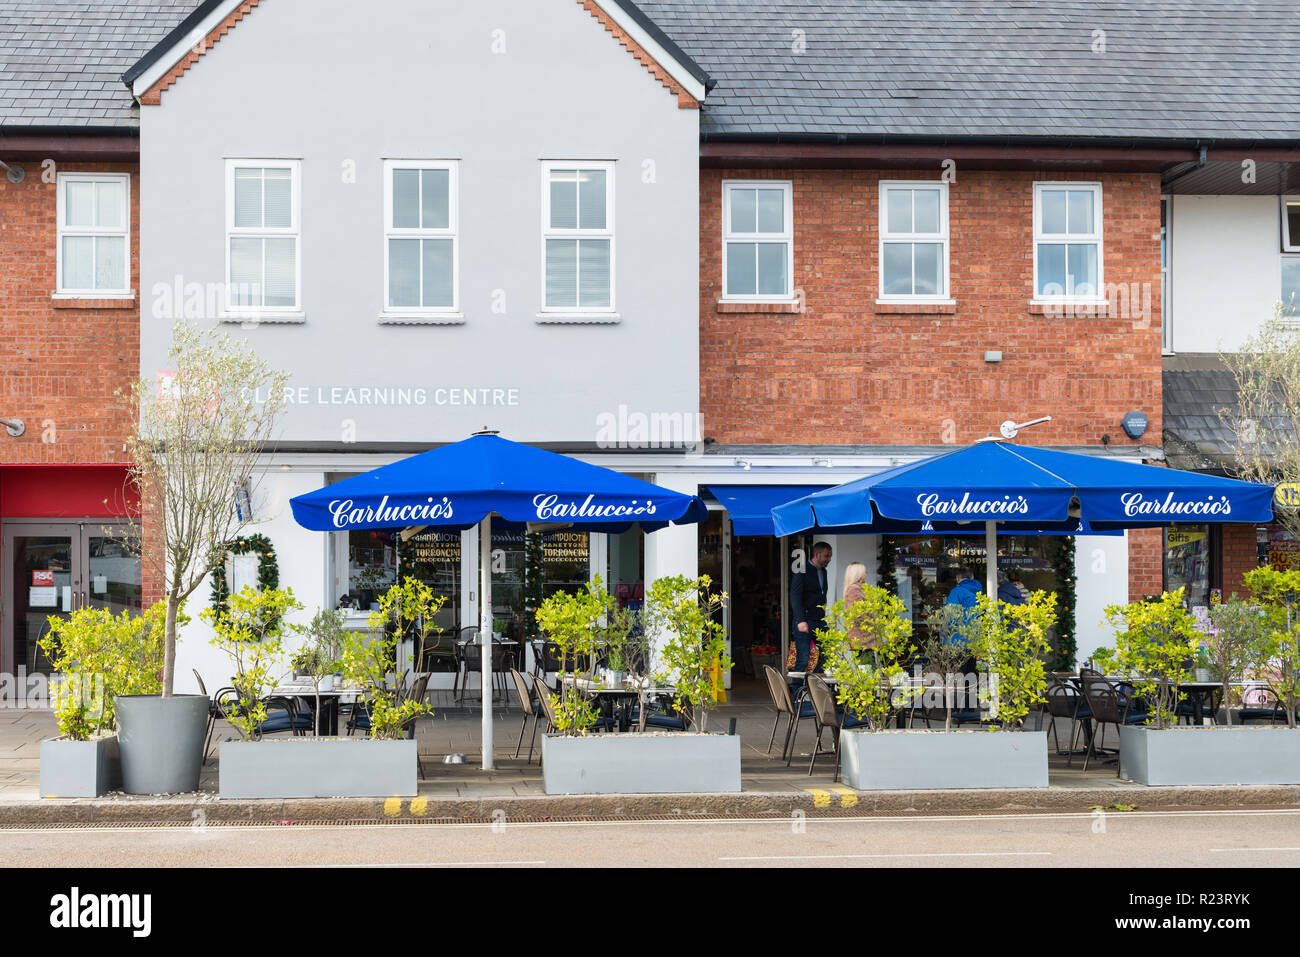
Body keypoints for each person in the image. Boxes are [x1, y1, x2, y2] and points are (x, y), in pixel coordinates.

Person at [790, 541, 832, 674]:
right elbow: (795, 597)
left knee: (830, 654)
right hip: (805, 620)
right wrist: (801, 620)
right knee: (803, 659)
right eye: (826, 556)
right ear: (817, 554)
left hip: (820, 620)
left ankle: (813, 682)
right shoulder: (802, 571)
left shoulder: (823, 572)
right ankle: (797, 693)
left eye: (830, 556)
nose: (829, 559)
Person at [841, 562, 873, 651]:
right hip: (862, 636)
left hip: (865, 635)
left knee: (868, 663)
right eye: (864, 572)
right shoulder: (854, 589)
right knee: (866, 663)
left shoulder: (862, 588)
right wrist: (873, 623)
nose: (866, 574)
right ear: (858, 574)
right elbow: (856, 613)